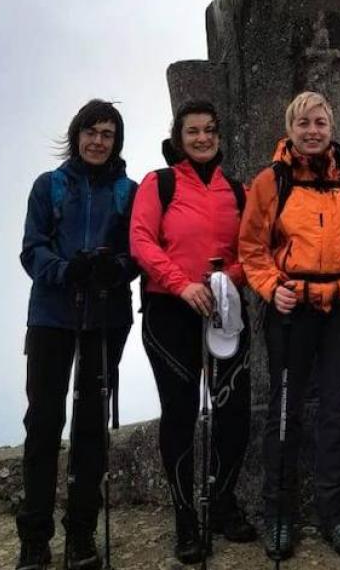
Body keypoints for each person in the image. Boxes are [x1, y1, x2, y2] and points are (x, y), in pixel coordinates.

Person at [238, 91, 340, 561]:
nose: (312, 131)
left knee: (337, 412)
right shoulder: (271, 181)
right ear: (290, 129)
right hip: (291, 307)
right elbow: (252, 247)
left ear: (331, 127)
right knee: (285, 412)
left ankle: (335, 515)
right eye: (303, 123)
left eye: (320, 122)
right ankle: (278, 515)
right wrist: (270, 287)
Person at [129, 101, 256, 564]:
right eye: (193, 131)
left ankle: (221, 503)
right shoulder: (159, 183)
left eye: (210, 130)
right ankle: (186, 517)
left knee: (234, 412)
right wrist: (182, 285)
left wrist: (227, 281)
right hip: (169, 311)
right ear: (178, 138)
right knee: (180, 414)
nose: (203, 138)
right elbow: (141, 240)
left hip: (224, 308)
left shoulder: (237, 191)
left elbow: (252, 250)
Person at [16, 99, 140, 570]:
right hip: (52, 316)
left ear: (117, 141)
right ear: (76, 135)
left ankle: (82, 533)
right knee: (43, 424)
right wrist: (67, 271)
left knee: (91, 427)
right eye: (91, 132)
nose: (98, 141)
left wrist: (115, 269)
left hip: (106, 318)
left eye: (107, 134)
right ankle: (34, 538)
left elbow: (137, 251)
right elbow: (32, 249)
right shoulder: (48, 186)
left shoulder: (128, 191)